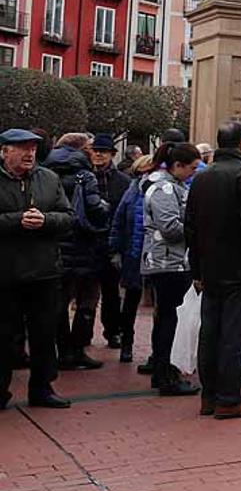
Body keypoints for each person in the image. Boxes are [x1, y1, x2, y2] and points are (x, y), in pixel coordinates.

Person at [186, 122, 241, 419]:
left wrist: (196, 267)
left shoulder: (201, 177)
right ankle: (229, 398)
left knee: (211, 333)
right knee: (234, 336)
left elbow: (191, 228)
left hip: (210, 266)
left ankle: (209, 396)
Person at [0, 128, 74, 409]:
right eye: (22, 148)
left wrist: (46, 220)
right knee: (3, 336)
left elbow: (67, 217)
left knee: (44, 334)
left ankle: (42, 388)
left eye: (32, 148)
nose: (29, 153)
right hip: (5, 273)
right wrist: (16, 220)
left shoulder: (48, 178)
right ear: (5, 151)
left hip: (43, 271)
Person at [46, 132, 110, 370]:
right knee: (87, 299)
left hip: (57, 245)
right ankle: (77, 349)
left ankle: (61, 351)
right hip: (84, 245)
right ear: (81, 149)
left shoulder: (46, 172)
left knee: (60, 302)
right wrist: (105, 206)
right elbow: (95, 208)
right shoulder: (85, 175)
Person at [141, 143, 202, 396]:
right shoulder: (164, 189)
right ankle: (166, 374)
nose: (194, 173)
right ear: (177, 166)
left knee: (167, 317)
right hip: (168, 263)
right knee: (170, 319)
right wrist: (196, 227)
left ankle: (162, 369)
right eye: (192, 168)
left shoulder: (173, 186)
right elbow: (170, 227)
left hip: (171, 261)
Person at [108, 154, 155, 363]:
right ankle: (127, 342)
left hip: (154, 254)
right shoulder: (133, 190)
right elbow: (119, 221)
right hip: (134, 254)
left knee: (159, 305)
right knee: (131, 301)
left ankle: (157, 351)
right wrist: (116, 249)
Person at [89, 134, 130, 350]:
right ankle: (83, 334)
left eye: (102, 151)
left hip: (110, 242)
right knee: (85, 292)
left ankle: (113, 331)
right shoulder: (84, 177)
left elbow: (124, 214)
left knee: (111, 292)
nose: (97, 154)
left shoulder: (123, 181)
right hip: (87, 242)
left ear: (112, 155)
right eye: (95, 150)